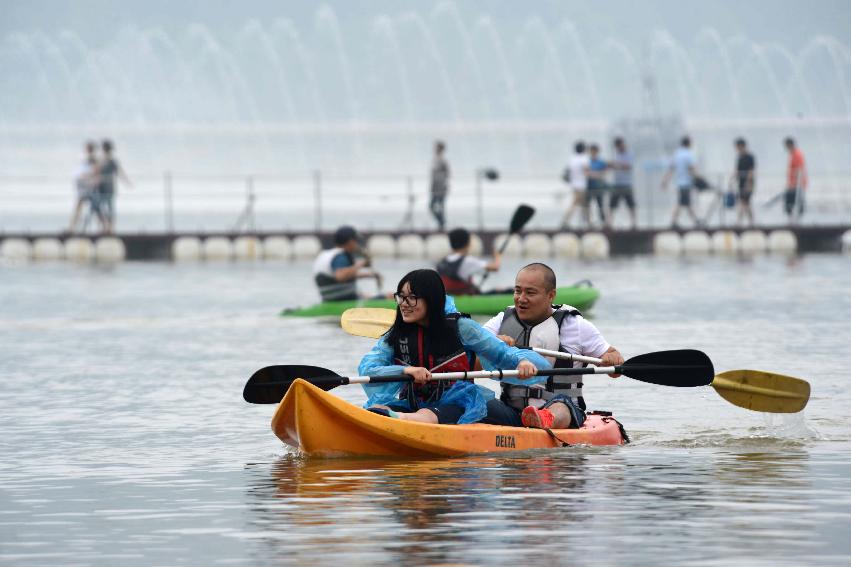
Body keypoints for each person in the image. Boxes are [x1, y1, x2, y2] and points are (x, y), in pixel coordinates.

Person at [358, 269, 551, 425]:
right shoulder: (396, 335)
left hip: (461, 401)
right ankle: (386, 417)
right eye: (401, 297)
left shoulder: (462, 328)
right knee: (379, 409)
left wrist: (523, 361)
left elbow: (502, 353)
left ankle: (399, 420)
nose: (404, 304)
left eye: (412, 298)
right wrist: (406, 369)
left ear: (431, 300)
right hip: (413, 403)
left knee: (427, 414)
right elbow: (368, 368)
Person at [480, 263, 624, 430]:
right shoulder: (501, 320)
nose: (521, 298)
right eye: (518, 291)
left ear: (551, 295)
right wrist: (493, 346)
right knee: (473, 397)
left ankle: (544, 419)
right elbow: (470, 354)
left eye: (530, 292)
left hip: (563, 410)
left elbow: (614, 363)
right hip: (511, 412)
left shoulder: (575, 326)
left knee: (561, 405)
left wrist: (611, 359)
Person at [312, 225, 382, 302]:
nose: (357, 244)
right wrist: (360, 264)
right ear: (350, 241)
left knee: (368, 295)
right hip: (343, 299)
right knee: (391, 296)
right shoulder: (341, 256)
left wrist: (369, 275)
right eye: (356, 241)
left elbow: (337, 276)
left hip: (329, 298)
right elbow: (340, 276)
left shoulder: (326, 254)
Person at [435, 228, 501, 295]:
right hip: (465, 296)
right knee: (506, 290)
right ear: (468, 244)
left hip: (448, 296)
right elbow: (495, 267)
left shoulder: (441, 262)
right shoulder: (468, 261)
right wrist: (497, 256)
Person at [661, 136, 702, 228]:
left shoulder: (676, 154)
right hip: (686, 182)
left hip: (679, 182)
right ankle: (676, 222)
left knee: (684, 203)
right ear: (688, 144)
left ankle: (694, 221)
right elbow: (691, 169)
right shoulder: (688, 154)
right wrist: (700, 178)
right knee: (683, 203)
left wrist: (665, 181)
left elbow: (671, 169)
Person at [96, 139, 133, 234]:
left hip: (108, 186)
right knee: (102, 207)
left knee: (108, 207)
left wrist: (127, 182)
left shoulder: (110, 160)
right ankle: (105, 226)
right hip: (102, 186)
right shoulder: (102, 159)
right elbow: (119, 172)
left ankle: (109, 227)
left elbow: (119, 172)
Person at [68, 140, 102, 233]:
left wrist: (85, 177)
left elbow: (95, 172)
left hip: (89, 189)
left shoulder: (92, 160)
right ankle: (72, 228)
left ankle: (72, 228)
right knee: (95, 209)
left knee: (95, 209)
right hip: (85, 188)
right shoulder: (88, 159)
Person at [560, 141, 590, 229]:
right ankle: (565, 221)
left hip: (574, 184)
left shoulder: (572, 158)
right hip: (581, 185)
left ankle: (587, 222)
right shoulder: (584, 158)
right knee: (575, 203)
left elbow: (568, 171)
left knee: (584, 204)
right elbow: (586, 172)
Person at [609, 137, 637, 229]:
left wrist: (617, 164)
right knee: (612, 205)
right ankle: (610, 223)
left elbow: (628, 167)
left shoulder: (629, 154)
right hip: (617, 183)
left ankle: (633, 223)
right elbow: (613, 166)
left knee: (631, 204)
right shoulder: (615, 155)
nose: (620, 147)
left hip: (627, 183)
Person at [730, 138, 756, 226]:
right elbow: (737, 171)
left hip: (748, 183)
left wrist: (748, 183)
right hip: (741, 182)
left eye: (738, 147)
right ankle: (751, 222)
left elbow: (751, 171)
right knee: (746, 203)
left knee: (743, 202)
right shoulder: (739, 157)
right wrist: (732, 180)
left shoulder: (750, 157)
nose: (737, 149)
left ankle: (739, 221)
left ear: (742, 146)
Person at [783, 137, 807, 222]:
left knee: (794, 202)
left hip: (796, 184)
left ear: (789, 145)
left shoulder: (797, 154)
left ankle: (796, 220)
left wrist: (794, 183)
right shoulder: (793, 154)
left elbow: (799, 170)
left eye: (786, 146)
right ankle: (792, 219)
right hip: (793, 184)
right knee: (790, 203)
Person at [586, 144, 610, 228]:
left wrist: (593, 174)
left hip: (599, 187)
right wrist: (595, 174)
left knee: (600, 205)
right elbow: (586, 174)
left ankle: (604, 223)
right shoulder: (587, 162)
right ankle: (589, 223)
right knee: (588, 205)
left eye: (594, 151)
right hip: (589, 187)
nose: (593, 153)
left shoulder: (601, 162)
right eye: (591, 151)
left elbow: (604, 173)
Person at [429, 140, 450, 230]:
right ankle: (441, 222)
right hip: (435, 187)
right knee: (432, 206)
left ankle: (442, 223)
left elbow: (447, 173)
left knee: (439, 206)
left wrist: (443, 184)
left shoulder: (442, 160)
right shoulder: (435, 159)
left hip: (441, 187)